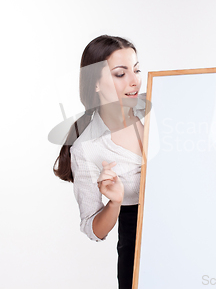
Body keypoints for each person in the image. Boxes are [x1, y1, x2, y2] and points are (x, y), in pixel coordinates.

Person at [53, 35, 145, 289]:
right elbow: (94, 228)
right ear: (95, 83)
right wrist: (115, 202)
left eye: (136, 70)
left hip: (186, 223)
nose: (135, 81)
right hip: (137, 239)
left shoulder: (160, 109)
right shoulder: (88, 148)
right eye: (120, 74)